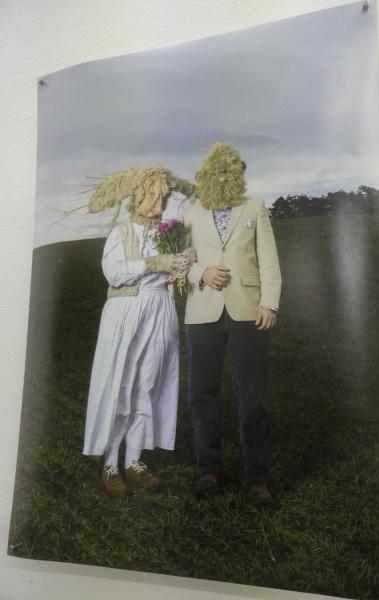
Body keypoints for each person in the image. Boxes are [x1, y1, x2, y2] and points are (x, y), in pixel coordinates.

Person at [82, 166, 196, 493]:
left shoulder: (171, 232)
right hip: (126, 311)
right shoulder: (122, 232)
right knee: (121, 385)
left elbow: (179, 271)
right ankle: (110, 463)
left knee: (148, 384)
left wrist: (185, 259)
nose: (154, 205)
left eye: (160, 199)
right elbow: (114, 273)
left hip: (160, 309)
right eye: (148, 197)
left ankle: (134, 460)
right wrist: (153, 263)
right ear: (136, 198)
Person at [181, 143, 282, 504]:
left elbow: (268, 260)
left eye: (230, 172)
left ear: (238, 175)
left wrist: (269, 302)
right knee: (201, 394)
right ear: (205, 175)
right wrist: (201, 272)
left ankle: (256, 478)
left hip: (249, 313)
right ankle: (208, 471)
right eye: (217, 172)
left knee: (252, 396)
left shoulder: (254, 207)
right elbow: (179, 260)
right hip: (201, 314)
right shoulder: (189, 214)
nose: (224, 178)